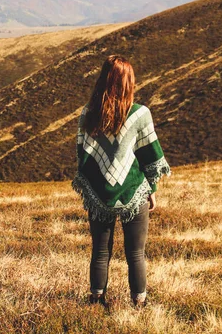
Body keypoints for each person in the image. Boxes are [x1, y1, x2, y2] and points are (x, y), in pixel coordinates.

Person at [71, 54, 171, 308]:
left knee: (100, 252)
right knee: (135, 253)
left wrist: (91, 187)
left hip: (98, 194)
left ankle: (95, 299)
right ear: (128, 82)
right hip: (133, 192)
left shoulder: (87, 115)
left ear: (103, 79)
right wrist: (152, 189)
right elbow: (150, 155)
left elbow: (83, 155)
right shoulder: (140, 114)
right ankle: (138, 303)